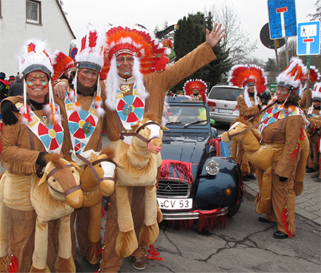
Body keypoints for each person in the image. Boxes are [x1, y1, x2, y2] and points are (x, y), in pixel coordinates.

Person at [88, 23, 225, 272]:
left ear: (137, 60)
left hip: (148, 156)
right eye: (120, 60)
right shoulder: (104, 86)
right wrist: (62, 85)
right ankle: (111, 262)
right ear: (114, 63)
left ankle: (139, 250)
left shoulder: (156, 80)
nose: (125, 64)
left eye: (130, 58)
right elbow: (82, 87)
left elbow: (182, 67)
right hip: (121, 156)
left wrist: (207, 47)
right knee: (118, 211)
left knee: (142, 209)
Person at [0, 40, 63, 272]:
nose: (37, 83)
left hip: (49, 183)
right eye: (31, 78)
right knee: (23, 239)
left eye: (42, 78)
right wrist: (37, 158)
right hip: (21, 185)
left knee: (51, 236)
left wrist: (65, 80)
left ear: (49, 81)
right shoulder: (13, 113)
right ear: (24, 82)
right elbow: (5, 150)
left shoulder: (57, 109)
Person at [53, 27, 106, 267]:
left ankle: (91, 252)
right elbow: (32, 94)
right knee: (65, 218)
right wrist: (9, 103)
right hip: (66, 167)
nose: (88, 77)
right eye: (84, 72)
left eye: (93, 74)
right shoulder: (62, 94)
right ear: (77, 72)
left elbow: (133, 86)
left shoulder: (103, 97)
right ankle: (64, 257)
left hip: (90, 169)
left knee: (92, 216)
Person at [257, 57, 309, 239]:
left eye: (283, 89)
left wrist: (285, 168)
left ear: (292, 92)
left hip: (282, 159)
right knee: (271, 190)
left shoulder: (294, 115)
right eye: (278, 88)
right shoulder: (278, 106)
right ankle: (272, 216)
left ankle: (286, 227)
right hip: (270, 156)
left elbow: (292, 144)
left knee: (283, 193)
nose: (278, 92)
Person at [227, 64, 266, 180]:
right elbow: (245, 111)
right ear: (245, 87)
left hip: (255, 126)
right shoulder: (241, 98)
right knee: (243, 148)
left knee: (254, 148)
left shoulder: (257, 98)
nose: (252, 88)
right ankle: (241, 171)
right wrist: (258, 108)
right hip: (244, 126)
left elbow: (259, 112)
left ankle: (251, 171)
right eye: (250, 86)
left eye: (253, 85)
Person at [305, 82, 321, 181]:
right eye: (314, 102)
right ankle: (315, 169)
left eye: (318, 102)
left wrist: (311, 120)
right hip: (310, 133)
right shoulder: (310, 110)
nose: (316, 103)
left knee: (317, 152)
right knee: (311, 150)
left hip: (318, 134)